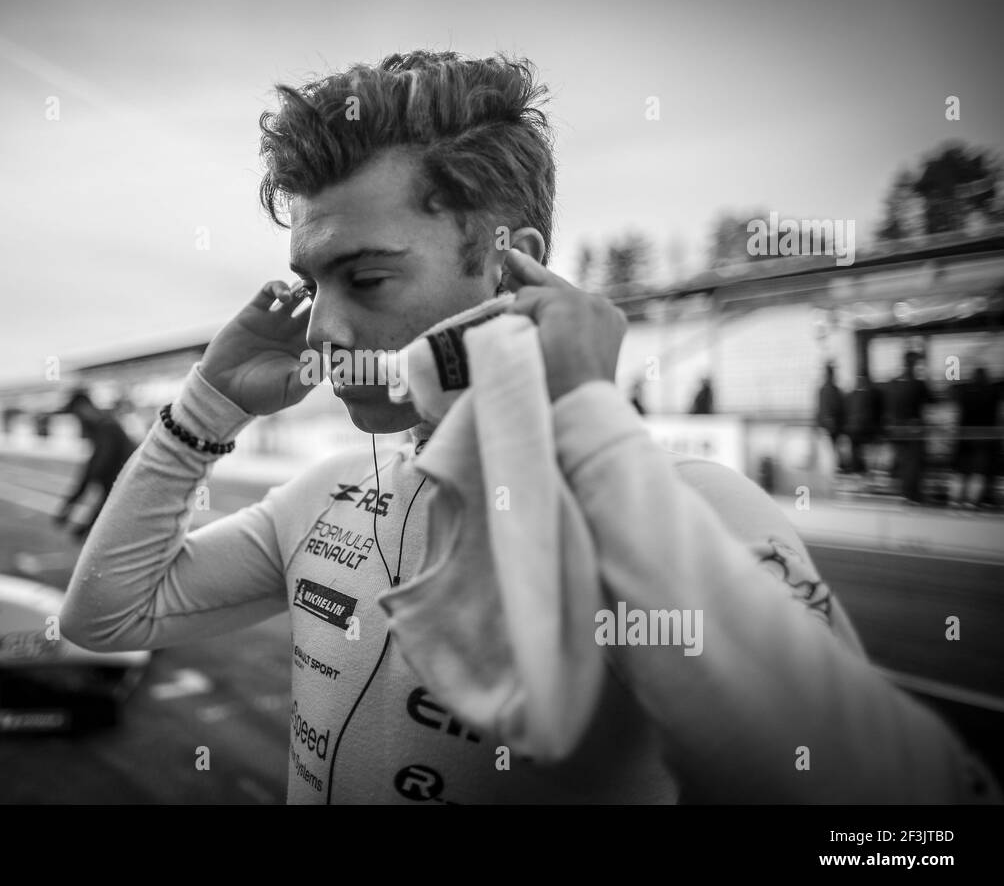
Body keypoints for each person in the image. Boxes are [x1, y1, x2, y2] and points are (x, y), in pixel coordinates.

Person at [61, 50, 997, 804]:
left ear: (509, 270)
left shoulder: (686, 510)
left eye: (369, 278)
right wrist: (207, 405)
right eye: (313, 286)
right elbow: (106, 615)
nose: (324, 329)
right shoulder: (327, 495)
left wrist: (586, 424)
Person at [53, 390, 137, 542]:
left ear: (84, 408)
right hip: (124, 486)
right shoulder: (103, 427)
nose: (78, 420)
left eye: (77, 414)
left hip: (131, 487)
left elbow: (97, 469)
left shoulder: (106, 428)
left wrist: (70, 507)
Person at [885, 351, 933, 504]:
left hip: (897, 431)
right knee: (914, 464)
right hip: (913, 431)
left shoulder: (893, 382)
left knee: (904, 462)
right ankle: (912, 494)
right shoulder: (918, 384)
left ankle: (905, 492)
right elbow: (931, 400)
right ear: (914, 364)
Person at [952, 366, 999, 508]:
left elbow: (954, 390)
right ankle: (972, 501)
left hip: (964, 438)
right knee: (979, 471)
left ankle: (955, 499)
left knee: (961, 471)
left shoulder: (964, 392)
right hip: (984, 439)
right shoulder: (992, 393)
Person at [844, 372, 883, 476]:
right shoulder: (872, 394)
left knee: (857, 451)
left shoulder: (851, 394)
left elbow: (846, 411)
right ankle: (865, 470)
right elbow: (877, 413)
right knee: (867, 452)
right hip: (866, 430)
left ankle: (857, 469)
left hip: (854, 429)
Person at [816, 363, 845, 470]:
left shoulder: (827, 390)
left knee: (831, 453)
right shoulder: (828, 390)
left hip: (830, 427)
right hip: (829, 427)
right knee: (829, 453)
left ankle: (834, 469)